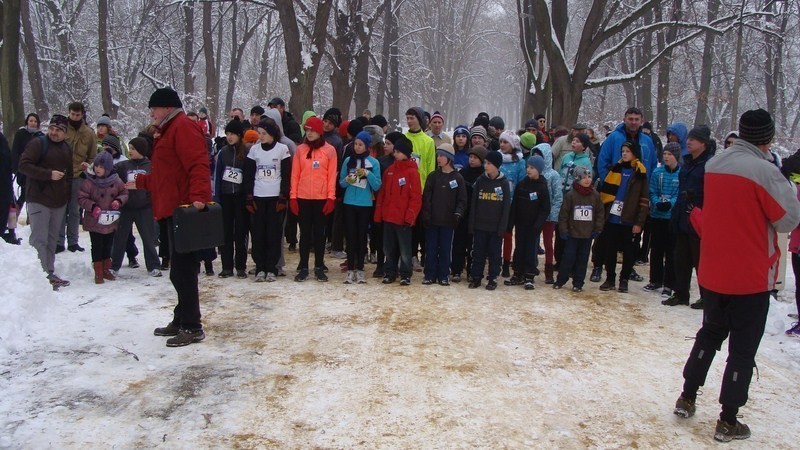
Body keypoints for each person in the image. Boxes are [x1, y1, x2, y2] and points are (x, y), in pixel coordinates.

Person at [672, 109, 800, 442]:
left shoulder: (716, 164)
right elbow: (788, 219)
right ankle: (728, 419)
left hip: (713, 269)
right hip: (750, 273)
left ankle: (687, 396)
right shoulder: (765, 171)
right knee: (742, 349)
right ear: (768, 138)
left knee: (709, 334)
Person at [136, 87, 213, 347]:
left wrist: (200, 197)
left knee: (183, 271)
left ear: (167, 107)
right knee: (178, 270)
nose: (151, 113)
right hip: (170, 209)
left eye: (154, 109)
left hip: (184, 210)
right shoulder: (168, 131)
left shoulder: (182, 127)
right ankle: (181, 319)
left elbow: (198, 164)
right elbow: (167, 174)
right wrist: (142, 182)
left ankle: (192, 326)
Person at [17, 115, 74, 289]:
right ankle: (39, 275)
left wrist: (67, 196)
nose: (54, 133)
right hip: (39, 198)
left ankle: (49, 271)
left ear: (65, 133)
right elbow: (23, 165)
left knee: (52, 239)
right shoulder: (38, 144)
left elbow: (69, 175)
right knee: (39, 238)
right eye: (51, 129)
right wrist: (48, 174)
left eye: (58, 130)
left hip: (59, 201)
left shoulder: (66, 148)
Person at [663, 125, 715, 308]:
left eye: (693, 139)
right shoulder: (687, 161)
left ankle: (706, 296)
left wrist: (699, 204)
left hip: (699, 218)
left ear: (703, 143)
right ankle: (680, 293)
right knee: (681, 258)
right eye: (689, 138)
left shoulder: (709, 164)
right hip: (682, 216)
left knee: (700, 260)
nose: (689, 142)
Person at [290, 116, 337, 282]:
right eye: (307, 130)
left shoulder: (329, 150)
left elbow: (331, 176)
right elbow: (295, 174)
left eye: (313, 130)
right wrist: (293, 197)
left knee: (319, 234)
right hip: (303, 197)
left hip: (321, 198)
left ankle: (319, 266)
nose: (309, 133)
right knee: (304, 234)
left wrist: (331, 198)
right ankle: (303, 266)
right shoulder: (300, 150)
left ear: (320, 132)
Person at [597, 141, 649, 293]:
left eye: (627, 151)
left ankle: (624, 279)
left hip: (629, 219)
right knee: (610, 250)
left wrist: (639, 222)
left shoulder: (640, 173)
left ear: (635, 153)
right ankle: (610, 278)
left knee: (629, 251)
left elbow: (644, 200)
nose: (624, 154)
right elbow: (605, 194)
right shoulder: (615, 169)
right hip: (612, 217)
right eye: (623, 151)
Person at [110, 137, 162, 278]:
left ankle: (153, 266)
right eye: (129, 148)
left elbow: (157, 184)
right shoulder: (123, 166)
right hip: (126, 207)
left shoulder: (150, 165)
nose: (130, 151)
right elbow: (109, 172)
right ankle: (114, 266)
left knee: (148, 238)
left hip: (145, 207)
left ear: (141, 150)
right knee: (120, 238)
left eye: (133, 149)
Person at [374, 136, 422, 285]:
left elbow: (415, 198)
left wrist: (410, 216)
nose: (395, 154)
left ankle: (406, 273)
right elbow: (382, 195)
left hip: (403, 220)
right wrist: (379, 214)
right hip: (388, 217)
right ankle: (390, 271)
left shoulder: (413, 173)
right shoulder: (389, 171)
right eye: (395, 151)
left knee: (405, 249)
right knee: (388, 248)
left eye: (399, 152)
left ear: (406, 154)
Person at [249, 118, 291, 282]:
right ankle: (260, 267)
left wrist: (283, 196)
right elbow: (249, 174)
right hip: (258, 196)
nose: (261, 137)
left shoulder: (282, 149)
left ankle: (272, 267)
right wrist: (249, 197)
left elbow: (286, 175)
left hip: (275, 197)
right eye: (259, 133)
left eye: (264, 134)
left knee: (274, 234)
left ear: (272, 134)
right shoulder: (254, 150)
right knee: (258, 233)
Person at [77, 151, 128, 284]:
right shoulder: (89, 181)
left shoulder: (116, 180)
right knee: (97, 245)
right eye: (96, 166)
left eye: (101, 167)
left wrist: (118, 201)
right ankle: (98, 271)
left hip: (110, 219)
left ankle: (106, 268)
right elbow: (81, 197)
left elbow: (124, 192)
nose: (98, 169)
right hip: (95, 219)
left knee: (108, 244)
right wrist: (92, 206)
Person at [420, 143, 466, 286]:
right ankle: (429, 274)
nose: (439, 158)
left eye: (442, 156)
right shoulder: (433, 176)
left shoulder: (458, 178)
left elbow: (462, 199)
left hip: (448, 221)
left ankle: (444, 274)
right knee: (431, 248)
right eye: (438, 155)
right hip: (432, 220)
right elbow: (426, 197)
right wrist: (426, 214)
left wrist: (458, 213)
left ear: (449, 158)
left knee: (446, 249)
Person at [214, 120, 256, 279]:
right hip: (225, 197)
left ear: (240, 135)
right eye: (228, 134)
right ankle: (226, 266)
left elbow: (249, 176)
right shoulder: (223, 152)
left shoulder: (246, 152)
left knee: (241, 233)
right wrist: (216, 197)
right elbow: (218, 176)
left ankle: (240, 266)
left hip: (240, 197)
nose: (230, 137)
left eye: (233, 134)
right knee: (226, 233)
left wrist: (248, 197)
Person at [340, 131, 382, 284]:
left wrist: (367, 174)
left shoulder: (374, 163)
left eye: (360, 145)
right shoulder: (348, 161)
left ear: (366, 146)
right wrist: (351, 178)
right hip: (349, 202)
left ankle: (361, 269)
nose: (357, 147)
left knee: (361, 236)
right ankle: (350, 269)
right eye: (355, 144)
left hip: (365, 204)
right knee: (350, 236)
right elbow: (341, 183)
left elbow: (377, 185)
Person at [555, 166, 604, 291]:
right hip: (572, 234)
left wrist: (597, 229)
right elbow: (564, 214)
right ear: (577, 179)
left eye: (589, 177)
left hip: (587, 234)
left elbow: (599, 213)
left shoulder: (595, 196)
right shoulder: (571, 196)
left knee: (583, 260)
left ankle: (578, 283)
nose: (587, 180)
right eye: (583, 177)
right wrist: (563, 229)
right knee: (568, 257)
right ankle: (561, 279)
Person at [505, 155, 550, 290]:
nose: (529, 170)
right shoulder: (522, 185)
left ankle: (529, 275)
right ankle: (517, 273)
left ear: (539, 170)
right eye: (528, 167)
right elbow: (515, 205)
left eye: (532, 168)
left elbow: (545, 208)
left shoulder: (542, 187)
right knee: (519, 248)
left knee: (531, 249)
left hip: (533, 226)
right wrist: (511, 222)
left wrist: (538, 225)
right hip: (521, 224)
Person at [468, 151, 511, 290]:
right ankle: (476, 277)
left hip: (495, 228)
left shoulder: (504, 183)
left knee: (494, 255)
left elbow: (506, 207)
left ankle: (492, 278)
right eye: (485, 163)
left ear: (497, 166)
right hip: (480, 226)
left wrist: (502, 227)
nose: (486, 166)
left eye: (489, 163)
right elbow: (474, 203)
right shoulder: (480, 181)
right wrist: (472, 224)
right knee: (478, 253)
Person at [644, 142, 680, 297]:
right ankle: (655, 279)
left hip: (671, 218)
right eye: (664, 154)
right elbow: (651, 190)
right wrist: (656, 201)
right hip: (657, 215)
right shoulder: (657, 172)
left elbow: (679, 194)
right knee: (656, 249)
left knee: (670, 251)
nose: (666, 157)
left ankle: (669, 283)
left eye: (669, 154)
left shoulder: (681, 174)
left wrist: (670, 204)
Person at [60, 101, 97, 253]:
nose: (75, 117)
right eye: (72, 114)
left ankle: (73, 241)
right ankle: (58, 241)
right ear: (68, 112)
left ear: (82, 115)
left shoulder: (89, 133)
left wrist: (86, 168)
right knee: (60, 209)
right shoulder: (61, 129)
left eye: (78, 114)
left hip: (78, 175)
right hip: (61, 174)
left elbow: (93, 156)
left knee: (75, 210)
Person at [451, 145, 487, 283]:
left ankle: (472, 271)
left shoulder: (484, 176)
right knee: (459, 243)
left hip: (478, 215)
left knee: (474, 245)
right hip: (464, 213)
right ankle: (456, 269)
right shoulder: (463, 173)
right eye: (470, 157)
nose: (471, 160)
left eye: (475, 158)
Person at [531, 143, 563, 284]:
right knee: (533, 241)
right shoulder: (532, 174)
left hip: (549, 216)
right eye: (535, 155)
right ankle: (531, 266)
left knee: (548, 243)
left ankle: (549, 270)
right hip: (534, 215)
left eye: (540, 156)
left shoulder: (553, 175)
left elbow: (558, 196)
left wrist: (554, 214)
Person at [498, 130, 526, 278]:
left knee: (507, 235)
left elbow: (522, 184)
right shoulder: (497, 158)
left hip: (511, 204)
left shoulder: (520, 162)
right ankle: (495, 260)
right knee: (495, 234)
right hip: (495, 203)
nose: (502, 145)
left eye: (505, 142)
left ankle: (506, 263)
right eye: (501, 142)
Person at [11, 113, 44, 213]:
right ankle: (17, 209)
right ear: (27, 122)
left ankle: (30, 215)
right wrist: (16, 166)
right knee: (25, 191)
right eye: (31, 121)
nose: (33, 123)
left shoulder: (41, 136)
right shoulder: (20, 134)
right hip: (23, 168)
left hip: (35, 168)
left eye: (35, 121)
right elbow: (15, 150)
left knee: (34, 193)